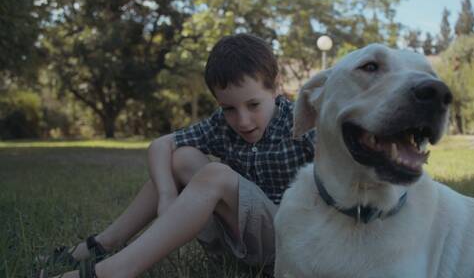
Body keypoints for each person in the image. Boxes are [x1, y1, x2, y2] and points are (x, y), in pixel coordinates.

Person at [46, 33, 316, 278]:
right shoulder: (222, 124)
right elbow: (161, 145)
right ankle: (106, 242)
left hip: (288, 246)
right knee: (182, 158)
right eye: (229, 108)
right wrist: (166, 195)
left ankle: (114, 271)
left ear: (275, 87)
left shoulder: (303, 122)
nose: (243, 120)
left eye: (253, 104)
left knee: (216, 175)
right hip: (236, 243)